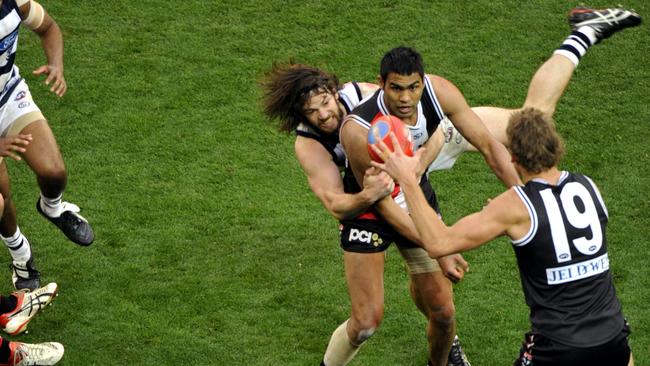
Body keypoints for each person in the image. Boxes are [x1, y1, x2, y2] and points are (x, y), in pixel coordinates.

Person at [261, 6, 640, 365]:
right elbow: (346, 203)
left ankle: (584, 33)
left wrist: (519, 196)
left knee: (529, 119)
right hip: (370, 201)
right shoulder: (334, 137)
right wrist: (380, 193)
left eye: (325, 102)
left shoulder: (415, 94)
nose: (323, 114)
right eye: (313, 112)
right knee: (366, 322)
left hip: (413, 165)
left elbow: (489, 147)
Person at [370, 107, 634, 366]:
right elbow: (555, 229)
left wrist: (407, 179)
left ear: (514, 158)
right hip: (614, 337)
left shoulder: (515, 206)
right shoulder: (588, 186)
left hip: (557, 346)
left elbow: (439, 243)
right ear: (556, 146)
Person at [0, 0, 95, 291]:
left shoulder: (17, 3)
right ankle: (21, 255)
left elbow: (49, 28)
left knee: (54, 172)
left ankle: (52, 207)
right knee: (1, 203)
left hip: (7, 96)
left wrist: (56, 64)